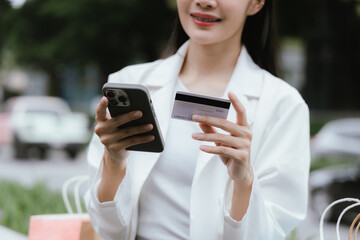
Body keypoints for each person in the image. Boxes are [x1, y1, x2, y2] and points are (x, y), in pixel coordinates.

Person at [85, 0, 310, 239]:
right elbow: (107, 229)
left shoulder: (283, 105)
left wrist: (243, 182)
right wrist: (114, 160)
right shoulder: (129, 81)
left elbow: (271, 232)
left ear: (255, 4)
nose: (205, 2)